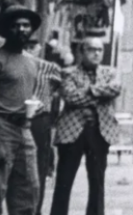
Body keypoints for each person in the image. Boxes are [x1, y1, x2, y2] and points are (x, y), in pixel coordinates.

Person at [0, 6, 42, 215]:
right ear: (6, 30)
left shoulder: (31, 63)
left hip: (24, 128)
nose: (21, 29)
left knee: (28, 189)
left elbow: (23, 95)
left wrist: (34, 107)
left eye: (25, 25)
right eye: (15, 26)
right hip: (0, 127)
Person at [49, 36, 121, 215]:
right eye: (91, 49)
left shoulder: (110, 72)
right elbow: (71, 98)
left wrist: (89, 90)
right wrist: (100, 93)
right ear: (81, 52)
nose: (96, 54)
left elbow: (115, 89)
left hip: (100, 131)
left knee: (97, 182)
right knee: (64, 182)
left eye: (99, 50)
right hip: (72, 132)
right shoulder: (68, 72)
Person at [21, 40, 60, 215]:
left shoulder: (48, 68)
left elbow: (56, 91)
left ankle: (34, 210)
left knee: (37, 167)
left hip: (38, 120)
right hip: (11, 117)